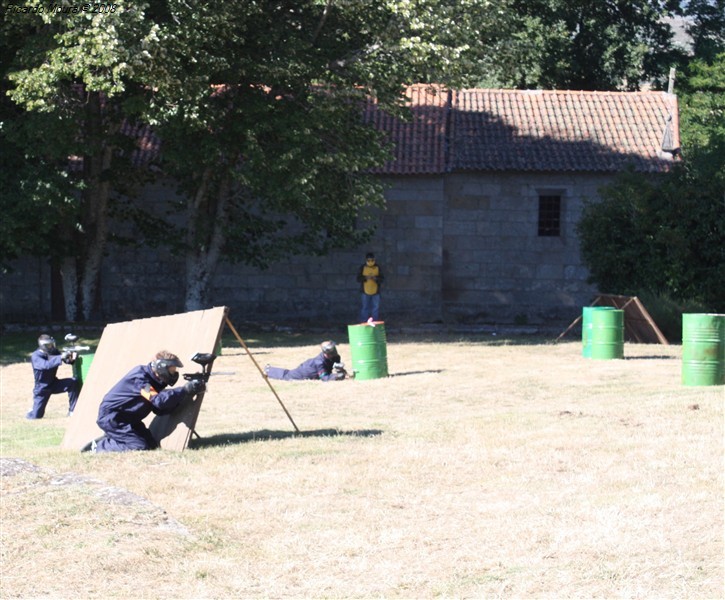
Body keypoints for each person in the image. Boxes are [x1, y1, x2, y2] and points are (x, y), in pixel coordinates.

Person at [86, 351, 205, 453]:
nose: (174, 374)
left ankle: (115, 438)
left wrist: (182, 397)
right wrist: (184, 390)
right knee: (138, 447)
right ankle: (98, 447)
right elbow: (158, 401)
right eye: (172, 370)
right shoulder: (140, 379)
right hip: (113, 419)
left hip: (130, 419)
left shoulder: (156, 380)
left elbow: (159, 409)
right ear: (161, 368)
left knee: (151, 445)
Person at [27, 334, 80, 419]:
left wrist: (72, 357)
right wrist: (61, 357)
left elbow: (67, 361)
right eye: (48, 345)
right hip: (42, 388)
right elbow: (46, 365)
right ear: (42, 346)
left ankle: (72, 411)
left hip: (54, 383)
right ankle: (31, 411)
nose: (51, 347)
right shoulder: (36, 356)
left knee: (72, 382)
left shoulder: (54, 352)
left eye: (52, 344)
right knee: (36, 416)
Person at [264, 341, 347, 381]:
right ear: (326, 353)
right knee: (287, 376)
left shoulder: (335, 357)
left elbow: (337, 368)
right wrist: (337, 376)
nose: (334, 353)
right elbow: (324, 378)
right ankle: (268, 370)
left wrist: (342, 372)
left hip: (311, 366)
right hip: (305, 371)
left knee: (288, 373)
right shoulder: (319, 362)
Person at [357, 251, 384, 323]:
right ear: (366, 260)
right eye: (369, 260)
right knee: (365, 308)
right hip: (365, 291)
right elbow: (358, 278)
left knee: (375, 308)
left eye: (372, 260)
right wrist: (366, 278)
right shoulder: (362, 267)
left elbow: (382, 278)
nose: (370, 262)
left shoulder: (378, 267)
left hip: (376, 291)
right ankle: (364, 322)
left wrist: (376, 279)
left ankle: (374, 323)